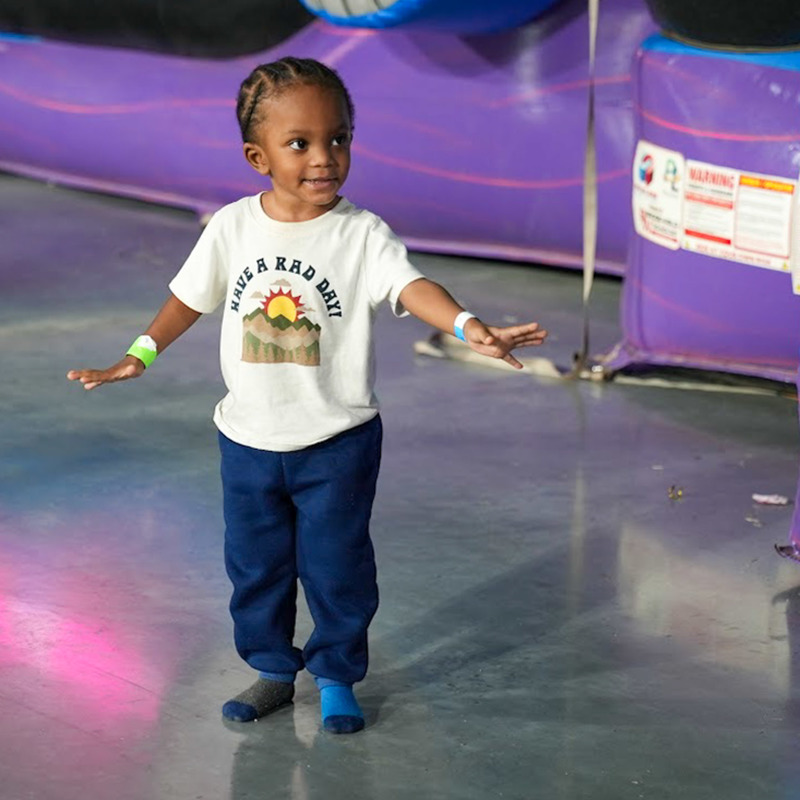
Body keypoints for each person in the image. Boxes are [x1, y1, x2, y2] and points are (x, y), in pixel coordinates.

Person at [67, 57, 548, 734]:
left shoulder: (361, 234)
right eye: (301, 144)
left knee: (337, 568)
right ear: (257, 155)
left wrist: (470, 327)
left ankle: (335, 675)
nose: (324, 157)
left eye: (339, 138)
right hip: (247, 440)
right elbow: (187, 300)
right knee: (256, 569)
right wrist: (137, 355)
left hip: (337, 442)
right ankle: (271, 670)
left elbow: (413, 288)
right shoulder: (233, 227)